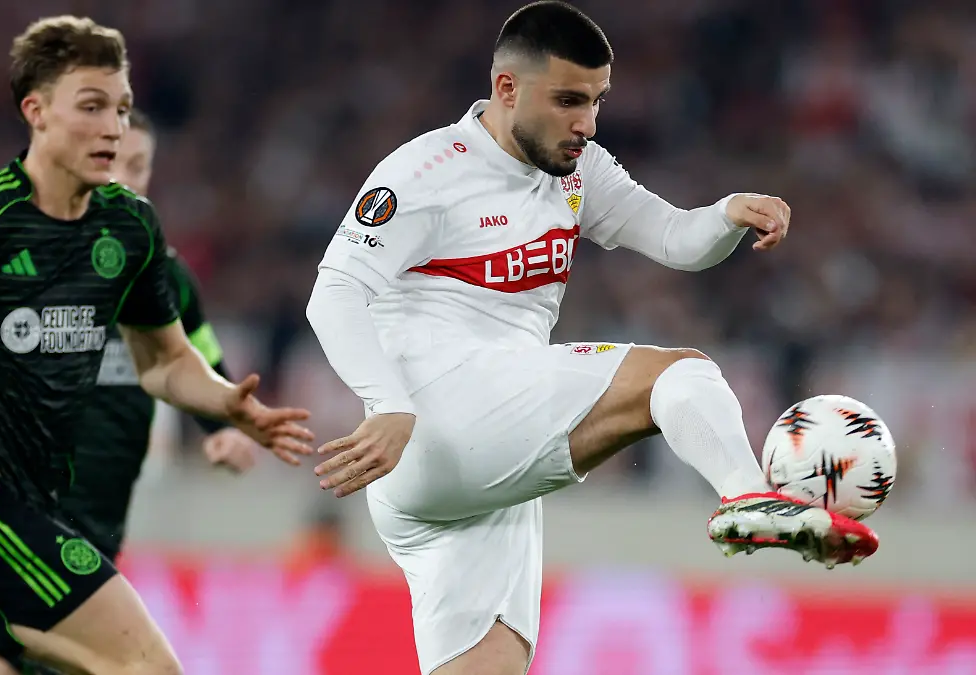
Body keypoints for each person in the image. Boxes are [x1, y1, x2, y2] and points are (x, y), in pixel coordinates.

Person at [304, 3, 878, 674]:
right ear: (507, 90)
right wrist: (390, 401)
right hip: (433, 420)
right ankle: (748, 496)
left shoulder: (578, 169)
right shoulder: (426, 172)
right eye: (569, 100)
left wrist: (726, 215)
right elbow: (333, 292)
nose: (587, 122)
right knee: (679, 372)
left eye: (598, 101)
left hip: (475, 463)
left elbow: (672, 237)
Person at [0, 15, 313, 675]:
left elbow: (163, 362)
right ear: (36, 111)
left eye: (123, 108)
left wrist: (226, 403)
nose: (114, 127)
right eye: (93, 106)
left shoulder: (129, 229)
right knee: (148, 668)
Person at [0, 108, 258, 675]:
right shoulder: (27, 262)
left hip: (105, 514)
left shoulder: (164, 276)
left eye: (141, 167)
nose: (129, 180)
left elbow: (204, 360)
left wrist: (221, 430)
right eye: (117, 163)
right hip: (25, 507)